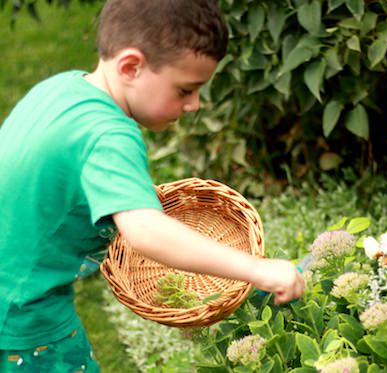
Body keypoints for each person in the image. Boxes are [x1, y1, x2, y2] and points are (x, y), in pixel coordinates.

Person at [0, 0, 305, 371]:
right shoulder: (109, 135)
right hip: (22, 318)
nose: (194, 105)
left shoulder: (60, 89)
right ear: (131, 67)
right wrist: (259, 270)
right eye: (184, 90)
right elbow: (146, 230)